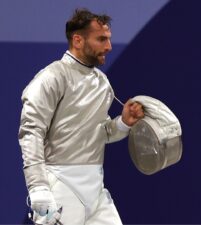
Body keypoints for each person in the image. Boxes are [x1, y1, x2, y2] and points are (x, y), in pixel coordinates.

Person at [18, 8, 144, 224]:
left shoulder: (102, 83)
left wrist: (122, 123)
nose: (109, 46)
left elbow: (100, 133)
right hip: (60, 184)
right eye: (101, 39)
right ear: (77, 40)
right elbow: (31, 132)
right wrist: (38, 186)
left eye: (109, 39)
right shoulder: (52, 77)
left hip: (95, 188)